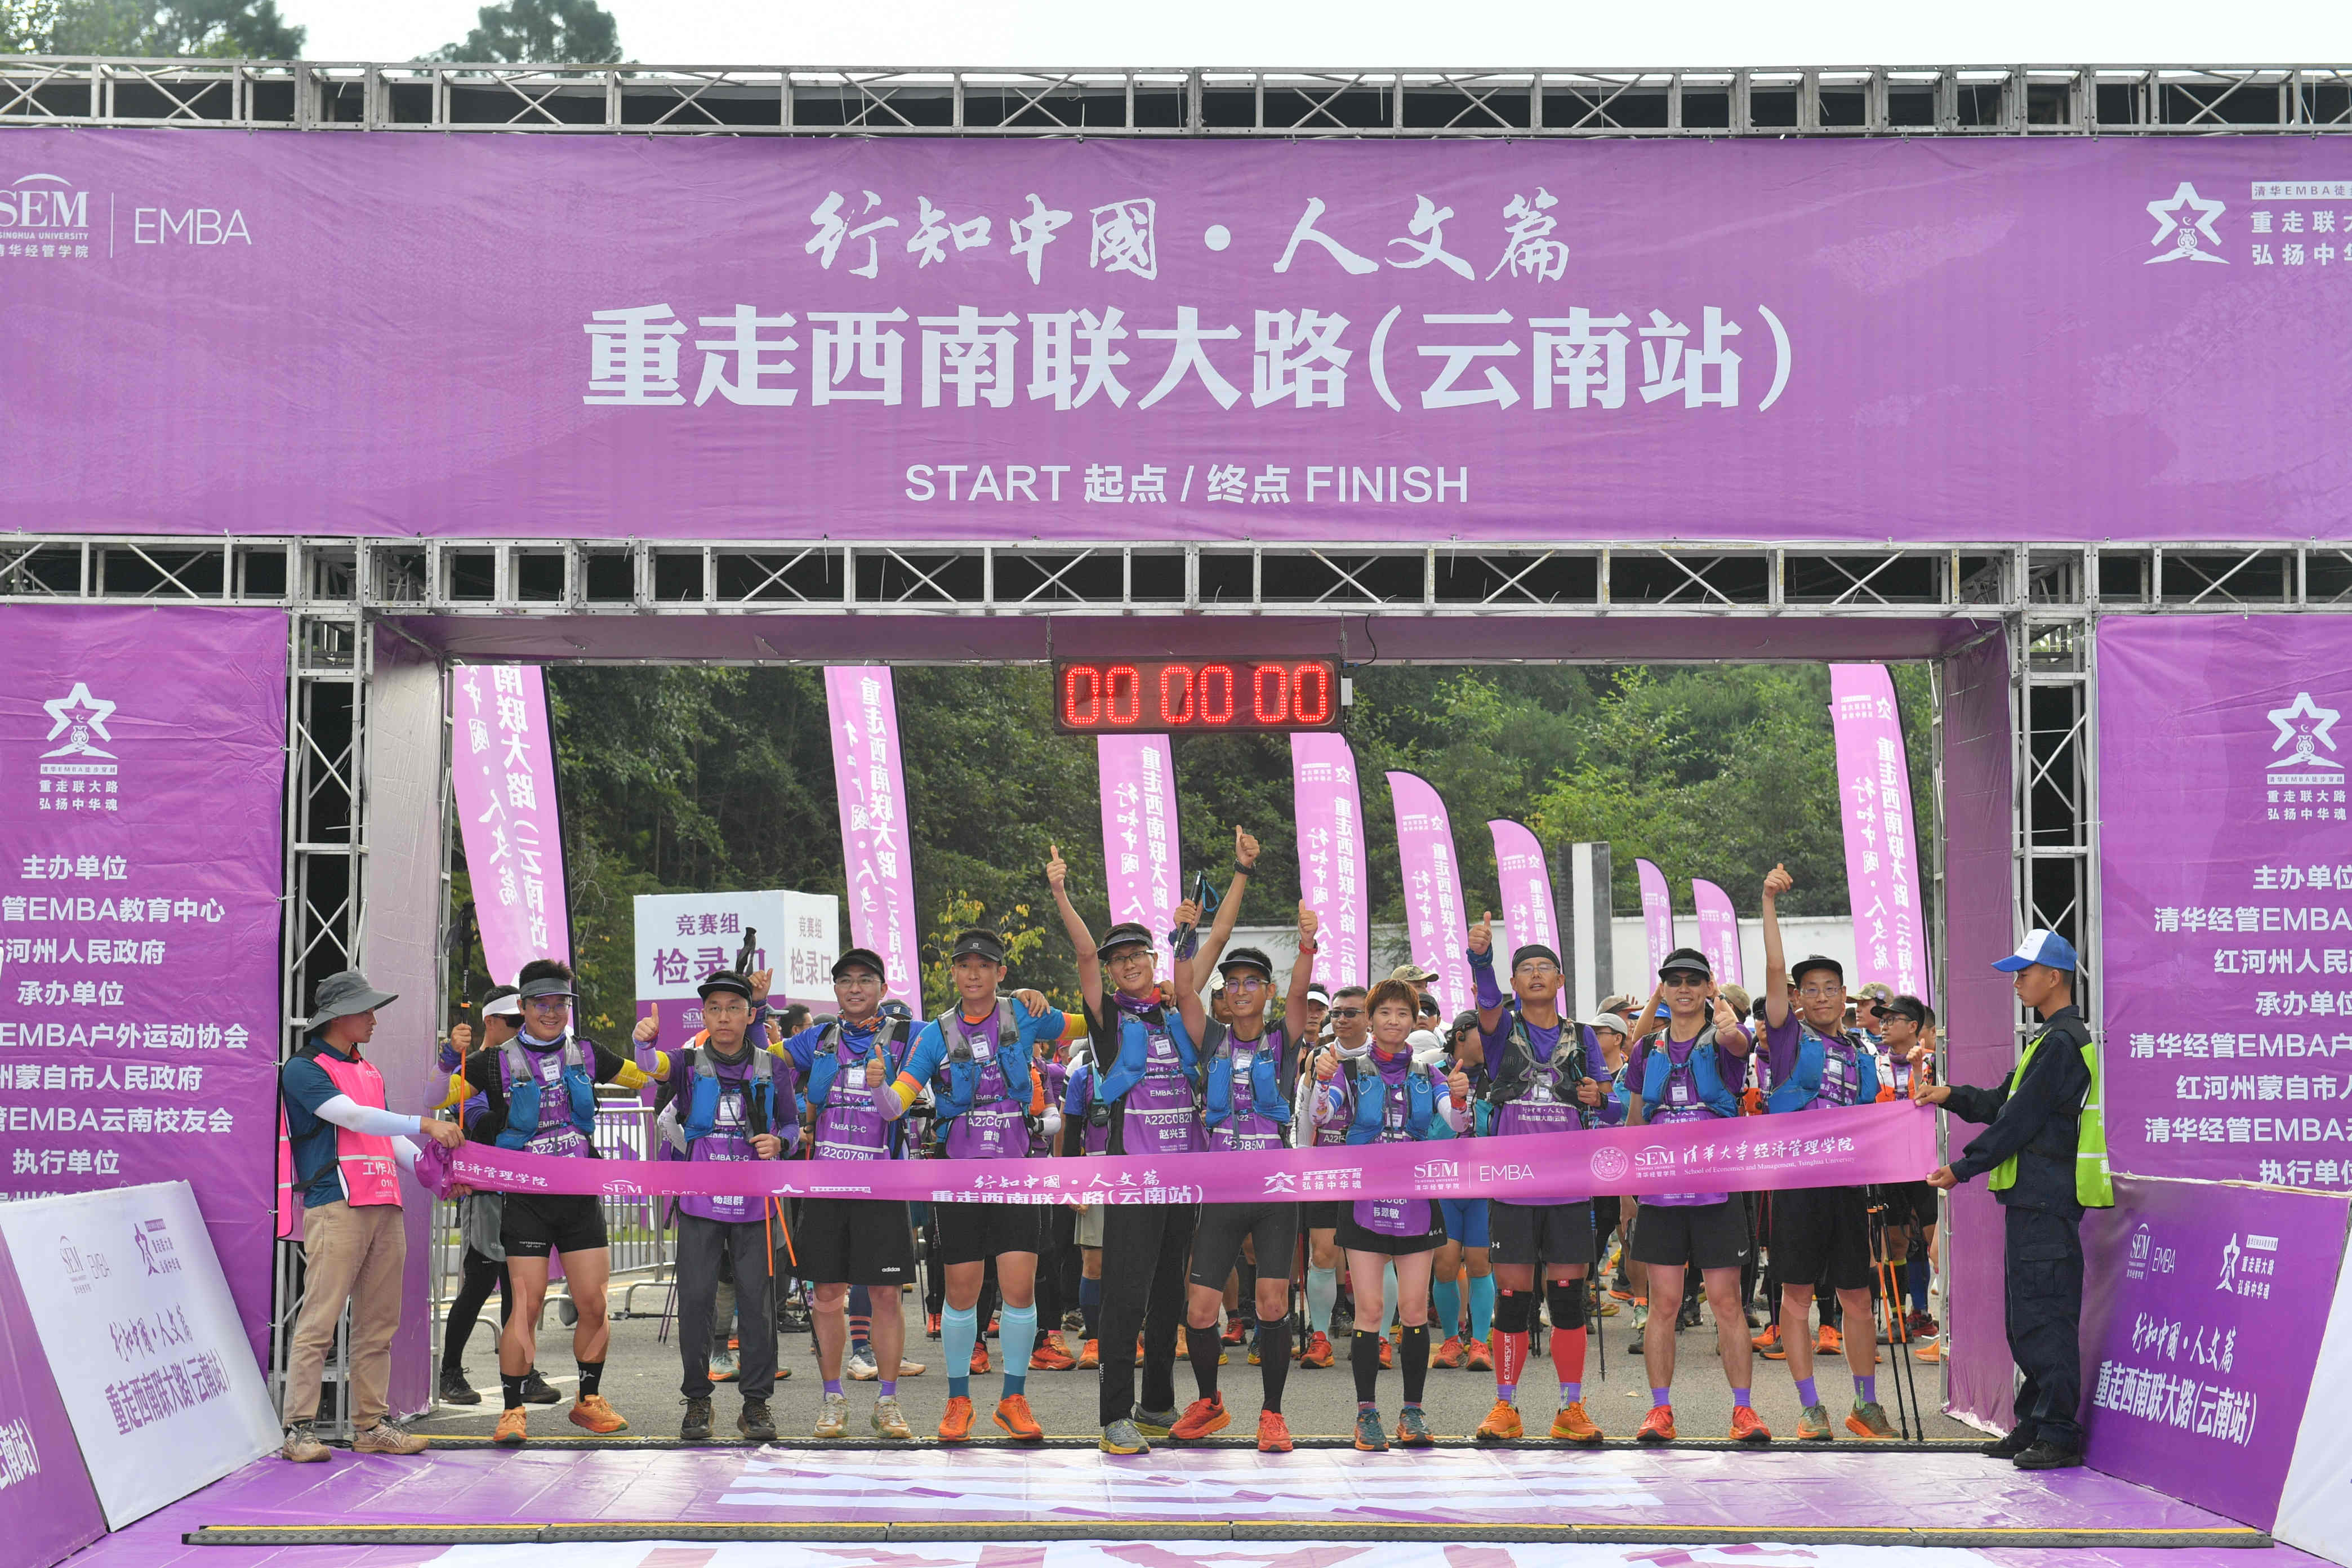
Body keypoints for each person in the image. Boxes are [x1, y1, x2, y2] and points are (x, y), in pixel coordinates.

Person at [1917, 929, 2110, 1471]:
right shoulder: (2050, 1040)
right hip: (2034, 1201)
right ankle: (2034, 1423)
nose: (2017, 983)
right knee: (2028, 1318)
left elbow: (2017, 1121)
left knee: (2045, 1318)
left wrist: (1963, 1168)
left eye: (2024, 974)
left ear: (2055, 977)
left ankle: (2059, 1432)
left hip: (2047, 1200)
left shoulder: (2062, 1043)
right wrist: (1951, 1096)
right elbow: (2004, 1102)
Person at [454, 959, 663, 1445]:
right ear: (524, 1007)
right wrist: (449, 1059)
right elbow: (434, 1097)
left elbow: (647, 1079)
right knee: (525, 1307)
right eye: (541, 1004)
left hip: (579, 1199)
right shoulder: (492, 1062)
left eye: (560, 1004)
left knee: (593, 1303)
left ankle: (588, 1401)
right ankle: (512, 1411)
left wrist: (646, 1047)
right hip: (526, 1201)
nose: (551, 1013)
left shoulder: (586, 1052)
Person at [1049, 840, 1212, 1456]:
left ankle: (1157, 1404)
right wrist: (1061, 893)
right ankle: (1114, 1415)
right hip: (1133, 1180)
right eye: (1117, 961)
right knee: (1125, 1295)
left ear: (1151, 958)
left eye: (1135, 955)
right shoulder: (1109, 1020)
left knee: (1169, 1292)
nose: (1127, 966)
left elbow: (1202, 966)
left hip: (1184, 1179)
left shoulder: (1174, 1012)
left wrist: (1193, 930)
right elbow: (1083, 955)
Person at [884, 929, 1070, 1442]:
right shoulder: (934, 1034)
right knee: (962, 1294)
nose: (974, 974)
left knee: (1019, 1290)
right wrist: (879, 1088)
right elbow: (898, 1102)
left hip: (1015, 1176)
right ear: (953, 972)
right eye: (965, 965)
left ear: (1000, 973)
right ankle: (958, 1401)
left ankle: (1014, 1400)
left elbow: (1090, 1023)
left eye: (984, 966)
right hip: (960, 1177)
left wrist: (1044, 999)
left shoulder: (1024, 1013)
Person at [278, 969, 466, 1462]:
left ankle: (371, 1425)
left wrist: (435, 1175)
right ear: (337, 1016)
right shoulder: (303, 1068)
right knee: (320, 1320)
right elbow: (355, 1118)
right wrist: (426, 1124)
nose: (374, 1019)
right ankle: (298, 1429)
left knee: (378, 1324)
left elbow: (386, 1137)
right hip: (336, 1204)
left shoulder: (369, 1070)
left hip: (383, 1201)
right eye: (365, 1010)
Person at [1170, 873, 1312, 1452]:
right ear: (1224, 995)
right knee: (1201, 1310)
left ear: (1267, 991)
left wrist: (1307, 947)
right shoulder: (1211, 1040)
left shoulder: (1283, 1039)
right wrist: (1185, 939)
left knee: (1273, 1304)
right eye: (1233, 983)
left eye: (1253, 981)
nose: (1242, 989)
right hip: (1222, 1189)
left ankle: (1272, 1415)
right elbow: (1183, 994)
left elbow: (1301, 996)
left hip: (1274, 1191)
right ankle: (1210, 1402)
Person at [1758, 865, 1895, 1442]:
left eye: (1829, 988)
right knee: (1794, 1297)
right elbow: (1773, 969)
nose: (1819, 996)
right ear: (1797, 998)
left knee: (1858, 1299)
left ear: (1845, 996)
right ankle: (1811, 1408)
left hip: (1848, 1188)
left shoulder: (1863, 1049)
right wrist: (1768, 902)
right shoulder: (1789, 1038)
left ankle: (1865, 1405)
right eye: (1808, 989)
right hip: (1796, 1187)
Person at [1462, 912, 1610, 1444]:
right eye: (1526, 969)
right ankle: (1506, 1406)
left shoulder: (1584, 1036)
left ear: (1561, 980)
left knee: (1568, 1299)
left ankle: (1571, 1409)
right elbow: (1486, 1001)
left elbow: (1611, 1103)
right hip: (1514, 1187)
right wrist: (1481, 959)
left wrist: (1599, 1098)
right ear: (1515, 983)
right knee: (1513, 1297)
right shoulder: (1501, 1031)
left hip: (1569, 1188)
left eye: (1546, 967)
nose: (1537, 975)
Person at [631, 969, 795, 1442]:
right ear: (703, 1015)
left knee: (758, 1307)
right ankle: (698, 1400)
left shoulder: (772, 1066)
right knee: (697, 1302)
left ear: (749, 1016)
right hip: (700, 1205)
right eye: (715, 1009)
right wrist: (644, 1044)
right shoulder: (687, 1062)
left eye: (734, 1008)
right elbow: (653, 1067)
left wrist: (779, 1143)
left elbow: (790, 1123)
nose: (724, 1017)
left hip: (754, 1207)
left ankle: (756, 1403)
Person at [1624, 947, 1769, 1444]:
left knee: (1727, 1304)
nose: (1684, 988)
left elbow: (1737, 1042)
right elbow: (1636, 1120)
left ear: (1709, 988)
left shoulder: (1724, 1038)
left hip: (1715, 1192)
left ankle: (1744, 1411)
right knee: (1663, 1305)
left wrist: (1729, 1021)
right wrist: (1626, 1192)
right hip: (1660, 1194)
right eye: (1675, 981)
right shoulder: (1647, 1050)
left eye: (1694, 980)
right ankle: (1659, 1411)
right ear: (1664, 989)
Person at [778, 947, 921, 1439]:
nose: (855, 988)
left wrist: (1020, 1000)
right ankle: (833, 1398)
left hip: (883, 1187)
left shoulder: (910, 1034)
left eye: (866, 980)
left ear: (883, 987)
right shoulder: (818, 1038)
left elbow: (965, 1028)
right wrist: (752, 1011)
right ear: (835, 989)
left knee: (885, 1295)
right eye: (846, 981)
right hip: (827, 1186)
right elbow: (759, 1059)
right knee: (826, 1296)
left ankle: (888, 1402)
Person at [1314, 977, 1459, 1451]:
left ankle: (1413, 1412)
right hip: (1363, 1199)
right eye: (1385, 1013)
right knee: (1371, 1309)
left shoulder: (1429, 1073)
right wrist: (1321, 1082)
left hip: (1416, 1198)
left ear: (1414, 1020)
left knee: (1414, 1309)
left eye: (1402, 1014)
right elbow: (1320, 1116)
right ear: (1370, 1020)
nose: (1394, 1021)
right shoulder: (1348, 1070)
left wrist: (1460, 1098)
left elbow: (1456, 1122)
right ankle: (1367, 1415)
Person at [435, 990, 556, 1409]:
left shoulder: (527, 1065)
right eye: (515, 1022)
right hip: (484, 1192)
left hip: (523, 1191)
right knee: (480, 1283)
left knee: (520, 1288)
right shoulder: (474, 1068)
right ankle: (450, 1372)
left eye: (526, 1020)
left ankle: (523, 1373)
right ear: (490, 1022)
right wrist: (531, 1111)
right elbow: (480, 1125)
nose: (524, 1028)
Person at [1296, 984, 1375, 1371]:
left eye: (1351, 1013)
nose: (1342, 1019)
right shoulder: (1318, 1057)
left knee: (1374, 1258)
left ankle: (1376, 1338)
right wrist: (1301, 1162)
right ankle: (1321, 1337)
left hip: (1372, 1170)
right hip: (1325, 1168)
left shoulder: (1385, 1054)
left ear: (1369, 1018)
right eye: (1337, 1013)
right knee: (1323, 1254)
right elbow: (1304, 1114)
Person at [1431, 1008, 1496, 1372]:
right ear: (1460, 1035)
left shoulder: (1496, 1076)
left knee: (1479, 1262)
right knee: (1444, 1264)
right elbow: (1425, 1127)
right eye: (1482, 1034)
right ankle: (1451, 1340)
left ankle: (1480, 1341)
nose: (1490, 1041)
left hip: (1483, 1184)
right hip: (1443, 1182)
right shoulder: (1432, 1072)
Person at [1874, 994, 1942, 1341]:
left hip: (1926, 1164)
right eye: (1883, 1021)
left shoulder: (1935, 1062)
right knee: (1894, 1243)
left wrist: (1918, 1071)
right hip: (1888, 1166)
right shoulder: (1873, 1063)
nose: (1884, 1026)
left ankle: (1949, 1324)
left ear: (1914, 1026)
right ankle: (1899, 1318)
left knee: (1936, 1243)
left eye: (1892, 1020)